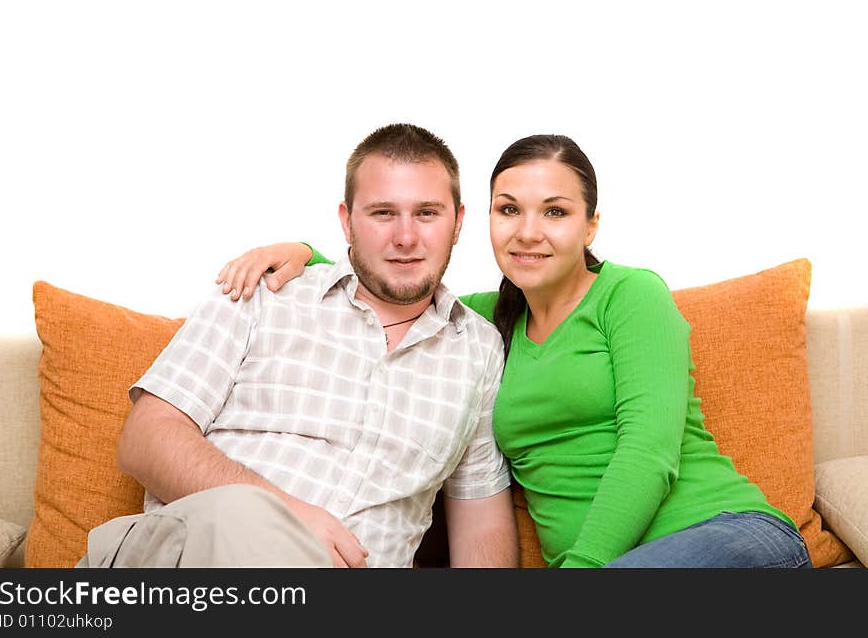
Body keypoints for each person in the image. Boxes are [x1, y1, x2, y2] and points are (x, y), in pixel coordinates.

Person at [217, 134, 813, 568]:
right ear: (485, 221)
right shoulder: (481, 320)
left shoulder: (631, 294)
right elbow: (394, 280)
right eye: (510, 210)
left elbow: (649, 451)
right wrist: (302, 251)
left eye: (555, 212)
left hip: (730, 538)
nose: (528, 231)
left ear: (591, 226)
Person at [77, 123, 519, 569]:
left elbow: (482, 522)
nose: (405, 237)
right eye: (383, 213)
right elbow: (146, 437)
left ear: (458, 223)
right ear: (347, 221)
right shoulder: (264, 292)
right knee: (242, 513)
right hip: (192, 560)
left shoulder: (477, 351)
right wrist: (284, 517)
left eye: (426, 213)